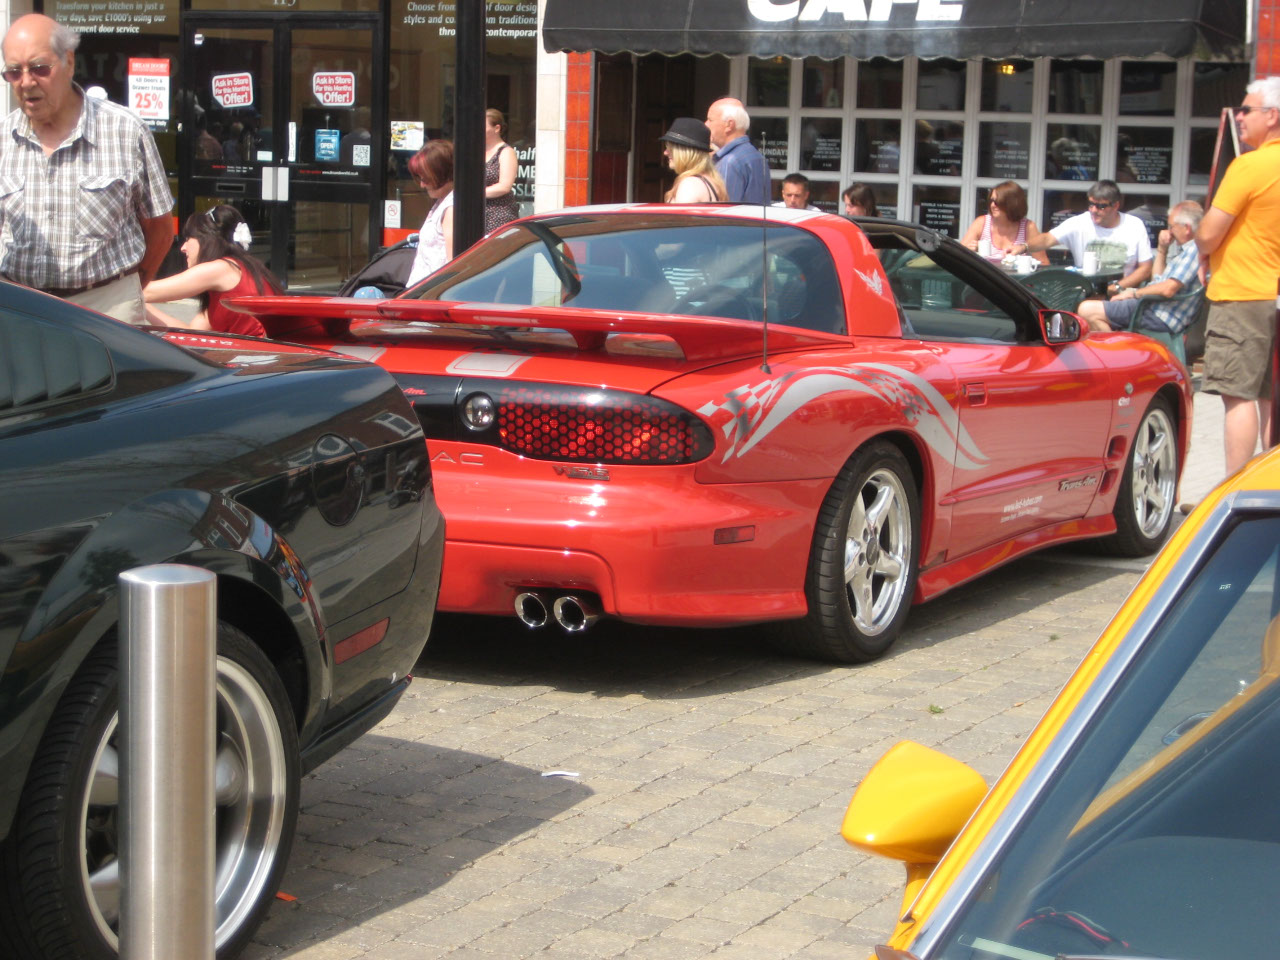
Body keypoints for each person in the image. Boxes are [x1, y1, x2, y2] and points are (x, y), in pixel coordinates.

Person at [0, 14, 173, 325]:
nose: (26, 82)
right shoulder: (3, 140)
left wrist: (128, 291)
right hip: (21, 310)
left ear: (69, 61)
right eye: (14, 72)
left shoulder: (125, 131)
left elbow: (160, 229)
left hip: (106, 309)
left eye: (39, 68)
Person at [1195, 76, 1280, 477]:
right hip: (1271, 292)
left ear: (1273, 116)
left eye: (1247, 109)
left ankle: (1233, 492)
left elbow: (1209, 232)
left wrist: (1200, 251)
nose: (1240, 116)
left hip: (1244, 293)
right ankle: (1269, 486)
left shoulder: (1250, 165)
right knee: (1267, 396)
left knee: (1238, 396)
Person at [142, 205, 277, 337]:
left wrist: (127, 288)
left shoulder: (221, 269)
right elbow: (192, 333)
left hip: (250, 356)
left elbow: (146, 291)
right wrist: (142, 306)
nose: (183, 247)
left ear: (206, 240)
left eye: (189, 239)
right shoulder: (245, 270)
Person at [1076, 201, 1204, 338]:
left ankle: (1115, 353)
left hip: (1160, 314)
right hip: (1153, 307)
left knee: (1086, 309)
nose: (1169, 231)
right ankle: (1117, 349)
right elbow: (1157, 280)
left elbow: (1168, 289)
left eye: (1172, 226)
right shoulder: (1186, 250)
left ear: (1187, 228)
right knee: (1097, 305)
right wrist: (1162, 250)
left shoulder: (1194, 250)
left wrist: (1134, 293)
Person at [1011, 180, 1153, 293]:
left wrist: (1116, 288)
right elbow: (1048, 238)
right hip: (1085, 291)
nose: (1093, 210)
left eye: (1100, 206)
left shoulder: (1134, 225)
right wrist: (1024, 247)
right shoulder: (1079, 222)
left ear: (1116, 206)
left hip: (1121, 293)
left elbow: (1145, 269)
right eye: (1091, 204)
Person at [405, 139, 455, 288]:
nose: (422, 184)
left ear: (443, 173)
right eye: (420, 178)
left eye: (426, 178)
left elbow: (453, 263)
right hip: (423, 290)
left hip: (431, 293)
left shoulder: (451, 208)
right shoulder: (442, 202)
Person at [961, 181, 1048, 265]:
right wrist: (970, 251)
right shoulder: (982, 222)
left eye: (997, 201)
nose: (993, 205)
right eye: (991, 201)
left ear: (1012, 203)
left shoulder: (1028, 227)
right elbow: (958, 256)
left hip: (1014, 279)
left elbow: (1043, 263)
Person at [704, 97, 770, 205]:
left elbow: (724, 213)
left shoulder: (730, 161)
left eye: (710, 120)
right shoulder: (757, 156)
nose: (706, 124)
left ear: (729, 125)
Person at [659, 117, 726, 202]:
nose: (665, 152)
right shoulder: (711, 180)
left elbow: (681, 215)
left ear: (686, 152)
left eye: (671, 148)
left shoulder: (690, 185)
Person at [483, 108, 519, 233]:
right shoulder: (477, 152)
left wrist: (475, 195)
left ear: (497, 128)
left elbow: (504, 186)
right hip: (477, 214)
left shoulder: (505, 152)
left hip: (498, 215)